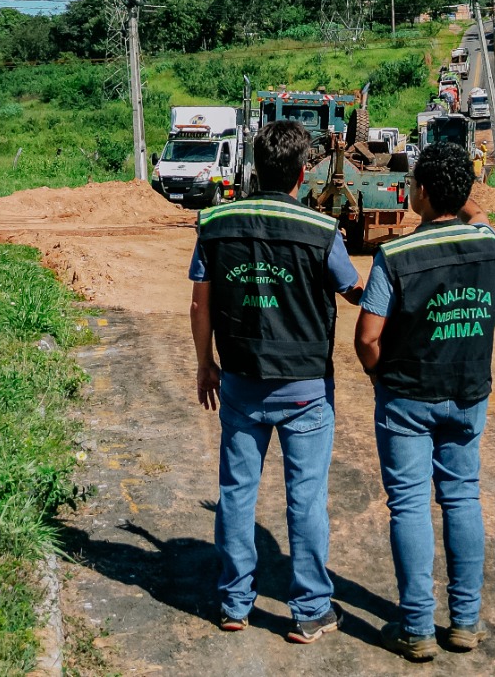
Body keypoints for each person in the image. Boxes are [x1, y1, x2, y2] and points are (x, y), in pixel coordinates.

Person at [190, 120, 363, 644]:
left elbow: (200, 302)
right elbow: (353, 289)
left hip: (241, 381)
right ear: (303, 171)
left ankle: (234, 603)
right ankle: (310, 610)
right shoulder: (320, 230)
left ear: (254, 167)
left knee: (237, 494)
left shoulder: (214, 222)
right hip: (307, 388)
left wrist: (205, 363)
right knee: (305, 498)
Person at [354, 142, 495, 662]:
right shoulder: (490, 246)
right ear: (465, 192)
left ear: (420, 191)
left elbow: (368, 338)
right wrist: (464, 196)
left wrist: (381, 380)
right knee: (463, 498)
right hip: (469, 393)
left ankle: (417, 628)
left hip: (407, 396)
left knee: (409, 505)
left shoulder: (395, 256)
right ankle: (465, 622)